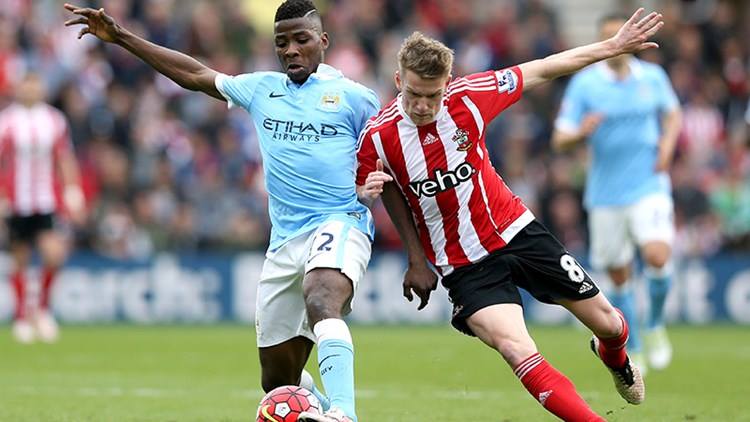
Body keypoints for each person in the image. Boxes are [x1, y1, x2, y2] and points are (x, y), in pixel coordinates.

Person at [64, 2, 403, 421]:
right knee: (278, 382)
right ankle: (313, 403)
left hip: (340, 222)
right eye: (283, 43)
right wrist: (123, 38)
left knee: (321, 299)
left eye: (301, 39)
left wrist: (418, 254)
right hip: (284, 240)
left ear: (323, 41)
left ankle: (344, 415)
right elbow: (195, 74)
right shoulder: (262, 89)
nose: (292, 50)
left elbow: (392, 163)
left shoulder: (355, 98)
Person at [356, 9, 664, 420]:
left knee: (609, 323)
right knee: (517, 348)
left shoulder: (470, 96)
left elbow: (544, 67)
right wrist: (377, 208)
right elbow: (371, 190)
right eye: (414, 94)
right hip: (464, 265)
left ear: (448, 85)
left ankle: (615, 356)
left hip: (517, 230)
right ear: (398, 82)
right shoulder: (377, 136)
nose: (423, 105)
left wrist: (611, 47)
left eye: (433, 95)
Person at [552, 14, 682, 374]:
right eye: (609, 37)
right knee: (619, 274)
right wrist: (581, 132)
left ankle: (655, 323)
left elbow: (672, 115)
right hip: (606, 194)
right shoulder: (586, 84)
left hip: (649, 185)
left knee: (657, 255)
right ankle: (635, 343)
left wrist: (667, 148)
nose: (618, 43)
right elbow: (559, 138)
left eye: (621, 35)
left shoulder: (652, 77)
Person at [0, 72, 86, 343]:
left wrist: (73, 190)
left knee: (53, 254)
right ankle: (22, 317)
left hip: (46, 200)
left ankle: (43, 309)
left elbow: (64, 157)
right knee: (20, 258)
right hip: (17, 200)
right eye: (27, 85)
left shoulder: (54, 119)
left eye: (35, 85)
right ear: (19, 88)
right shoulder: (7, 121)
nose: (31, 90)